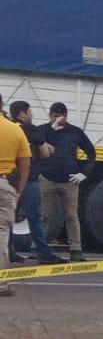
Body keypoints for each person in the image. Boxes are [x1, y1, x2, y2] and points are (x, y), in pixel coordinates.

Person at [39, 102, 93, 261]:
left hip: (69, 180)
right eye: (56, 116)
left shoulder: (75, 132)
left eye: (62, 116)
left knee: (71, 216)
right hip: (47, 178)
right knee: (44, 215)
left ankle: (76, 249)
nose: (59, 119)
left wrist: (84, 173)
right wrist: (50, 130)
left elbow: (91, 153)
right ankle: (38, 247)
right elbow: (33, 145)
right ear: (50, 115)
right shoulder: (42, 130)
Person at [9, 101, 60, 263]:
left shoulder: (9, 127)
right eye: (30, 111)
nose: (31, 114)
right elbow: (45, 153)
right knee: (35, 218)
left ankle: (8, 251)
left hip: (10, 179)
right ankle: (44, 253)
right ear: (23, 113)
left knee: (8, 217)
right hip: (29, 179)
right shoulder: (32, 129)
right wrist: (48, 147)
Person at [0, 92, 30, 297]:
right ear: (2, 104)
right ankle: (1, 284)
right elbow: (25, 165)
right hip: (5, 185)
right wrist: (18, 191)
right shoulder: (15, 130)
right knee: (2, 235)